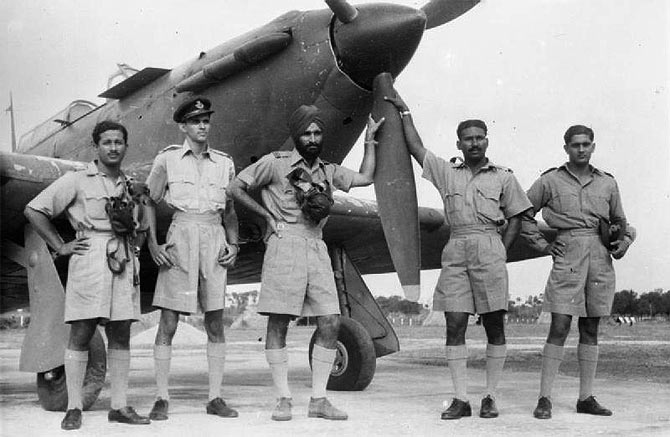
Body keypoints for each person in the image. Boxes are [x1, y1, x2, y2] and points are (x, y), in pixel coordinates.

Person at [227, 105, 384, 421]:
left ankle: (319, 399)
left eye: (317, 133)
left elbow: (366, 177)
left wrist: (369, 141)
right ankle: (283, 398)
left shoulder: (328, 170)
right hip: (284, 245)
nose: (312, 139)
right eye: (306, 133)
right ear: (296, 136)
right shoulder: (275, 163)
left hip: (316, 246)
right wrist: (266, 216)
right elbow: (235, 187)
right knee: (279, 322)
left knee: (330, 320)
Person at [385, 93, 532, 420]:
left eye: (480, 138)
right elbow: (416, 148)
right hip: (456, 248)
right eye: (468, 139)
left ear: (487, 140)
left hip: (490, 246)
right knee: (454, 323)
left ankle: (491, 396)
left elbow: (519, 215)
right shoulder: (446, 172)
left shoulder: (504, 176)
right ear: (459, 144)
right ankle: (461, 399)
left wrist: (501, 249)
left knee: (494, 324)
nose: (475, 143)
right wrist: (403, 109)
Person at [24, 120, 150, 430]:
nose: (113, 147)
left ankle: (119, 406)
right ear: (97, 146)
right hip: (90, 256)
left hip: (122, 257)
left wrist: (139, 237)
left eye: (119, 142)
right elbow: (34, 209)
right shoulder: (77, 180)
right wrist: (60, 246)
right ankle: (75, 407)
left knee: (121, 334)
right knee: (81, 332)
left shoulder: (131, 184)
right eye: (106, 142)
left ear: (125, 146)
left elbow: (142, 221)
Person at [520, 125, 635, 419]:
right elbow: (522, 212)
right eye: (575, 145)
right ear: (566, 148)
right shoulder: (550, 180)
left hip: (599, 255)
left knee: (591, 328)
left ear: (593, 147)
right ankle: (544, 398)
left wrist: (622, 243)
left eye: (586, 144)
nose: (581, 149)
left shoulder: (607, 183)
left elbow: (621, 221)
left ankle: (586, 397)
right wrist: (542, 245)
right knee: (559, 325)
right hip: (567, 252)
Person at [145, 97, 239, 420]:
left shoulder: (225, 163)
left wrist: (234, 244)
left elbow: (229, 210)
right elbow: (148, 199)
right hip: (181, 235)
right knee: (168, 321)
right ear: (183, 126)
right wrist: (154, 244)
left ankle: (215, 398)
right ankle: (161, 397)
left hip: (213, 237)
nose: (202, 126)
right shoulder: (167, 159)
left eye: (206, 120)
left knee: (215, 321)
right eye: (195, 121)